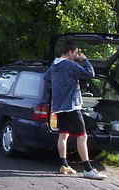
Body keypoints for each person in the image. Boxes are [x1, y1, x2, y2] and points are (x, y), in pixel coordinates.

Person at [43, 42, 106, 180]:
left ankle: (63, 165)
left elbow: (46, 79)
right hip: (71, 106)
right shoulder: (69, 65)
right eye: (76, 53)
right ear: (70, 52)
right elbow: (90, 74)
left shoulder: (54, 65)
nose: (77, 55)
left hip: (58, 107)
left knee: (63, 135)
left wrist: (55, 92)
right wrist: (85, 60)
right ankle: (88, 169)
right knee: (82, 136)